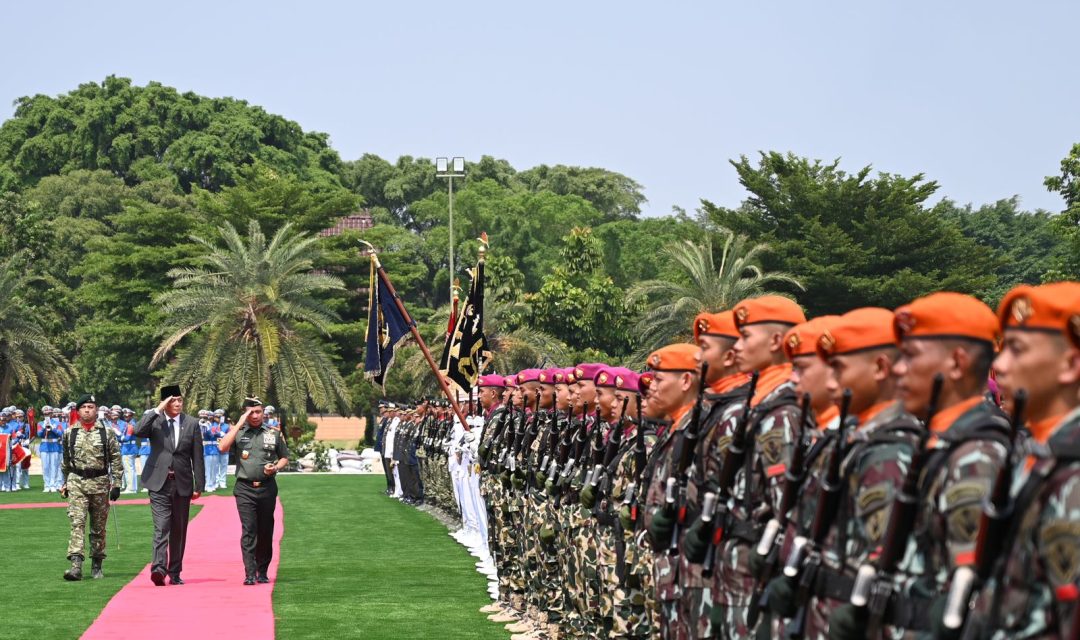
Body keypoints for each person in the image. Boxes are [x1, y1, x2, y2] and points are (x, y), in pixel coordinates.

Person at [134, 384, 206, 586]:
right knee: (161, 527)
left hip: (182, 483)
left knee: (179, 529)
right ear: (165, 402)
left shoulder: (191, 423)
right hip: (159, 482)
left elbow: (197, 456)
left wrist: (199, 483)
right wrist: (157, 410)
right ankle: (158, 569)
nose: (177, 404)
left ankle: (175, 572)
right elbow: (138, 431)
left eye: (180, 400)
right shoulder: (155, 421)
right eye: (172, 400)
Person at [218, 396, 290, 585]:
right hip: (244, 489)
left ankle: (262, 570)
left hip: (267, 488)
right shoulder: (239, 433)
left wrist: (275, 467)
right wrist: (240, 422)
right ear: (245, 412)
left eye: (259, 411)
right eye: (252, 412)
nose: (256, 415)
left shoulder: (273, 433)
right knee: (249, 529)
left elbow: (284, 457)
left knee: (265, 530)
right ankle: (250, 573)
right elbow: (223, 447)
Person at [60, 394, 123, 580]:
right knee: (77, 523)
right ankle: (76, 566)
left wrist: (117, 484)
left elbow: (116, 460)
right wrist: (64, 483)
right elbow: (66, 461)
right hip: (77, 482)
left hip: (100, 483)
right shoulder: (69, 433)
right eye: (84, 407)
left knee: (98, 527)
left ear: (96, 410)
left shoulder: (107, 432)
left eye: (91, 406)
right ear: (78, 411)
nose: (87, 410)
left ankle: (97, 564)